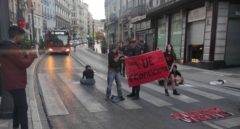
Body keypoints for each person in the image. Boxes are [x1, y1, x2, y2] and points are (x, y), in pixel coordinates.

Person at [0, 26, 37, 129]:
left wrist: (25, 55)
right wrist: (32, 55)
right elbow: (24, 64)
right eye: (21, 36)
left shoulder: (7, 46)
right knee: (23, 107)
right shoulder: (12, 48)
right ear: (17, 36)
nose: (22, 38)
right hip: (15, 82)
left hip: (11, 81)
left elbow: (16, 60)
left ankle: (15, 126)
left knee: (17, 105)